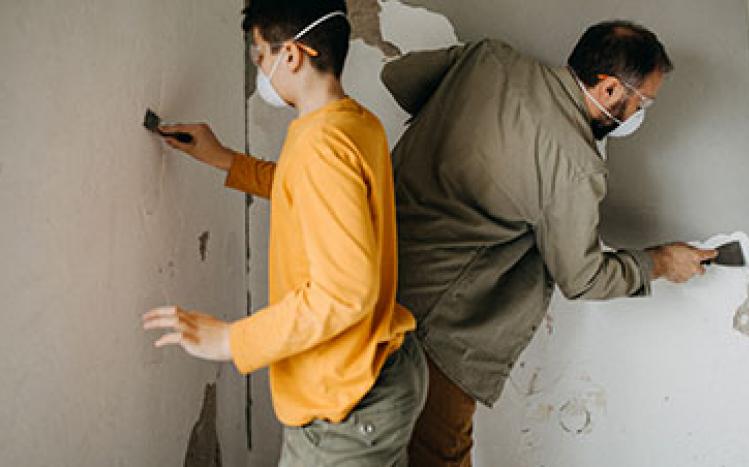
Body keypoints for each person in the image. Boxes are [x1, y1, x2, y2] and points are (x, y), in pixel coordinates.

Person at [380, 20, 718, 467]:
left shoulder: (490, 57)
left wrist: (449, 123)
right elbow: (582, 279)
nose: (640, 114)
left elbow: (396, 78)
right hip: (437, 329)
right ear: (611, 89)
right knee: (439, 455)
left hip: (367, 276)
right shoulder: (575, 166)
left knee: (362, 444)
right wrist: (659, 262)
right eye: (643, 102)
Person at [142, 1, 426, 465]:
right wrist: (226, 160)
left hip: (347, 406)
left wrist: (232, 340)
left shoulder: (321, 144)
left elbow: (344, 293)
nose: (260, 69)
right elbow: (312, 192)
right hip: (376, 371)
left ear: (291, 55)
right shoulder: (352, 122)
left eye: (260, 57)